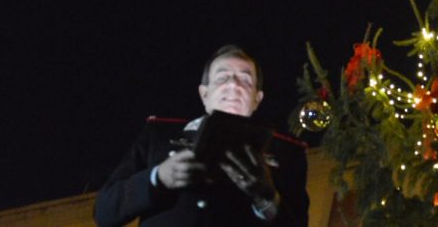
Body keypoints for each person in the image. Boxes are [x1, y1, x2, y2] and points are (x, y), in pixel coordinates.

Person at [94, 45, 309, 226]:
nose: (234, 85)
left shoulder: (287, 153)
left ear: (257, 99)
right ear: (204, 94)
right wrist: (158, 178)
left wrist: (267, 199)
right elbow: (104, 211)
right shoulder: (158, 135)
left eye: (245, 80)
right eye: (223, 77)